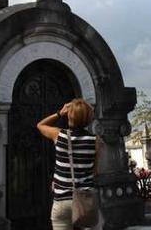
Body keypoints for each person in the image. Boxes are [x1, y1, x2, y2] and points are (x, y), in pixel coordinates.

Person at [37, 99, 99, 230]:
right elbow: (94, 172)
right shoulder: (96, 141)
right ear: (89, 118)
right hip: (84, 200)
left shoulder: (59, 135)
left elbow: (40, 125)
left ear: (70, 116)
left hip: (62, 201)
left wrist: (60, 113)